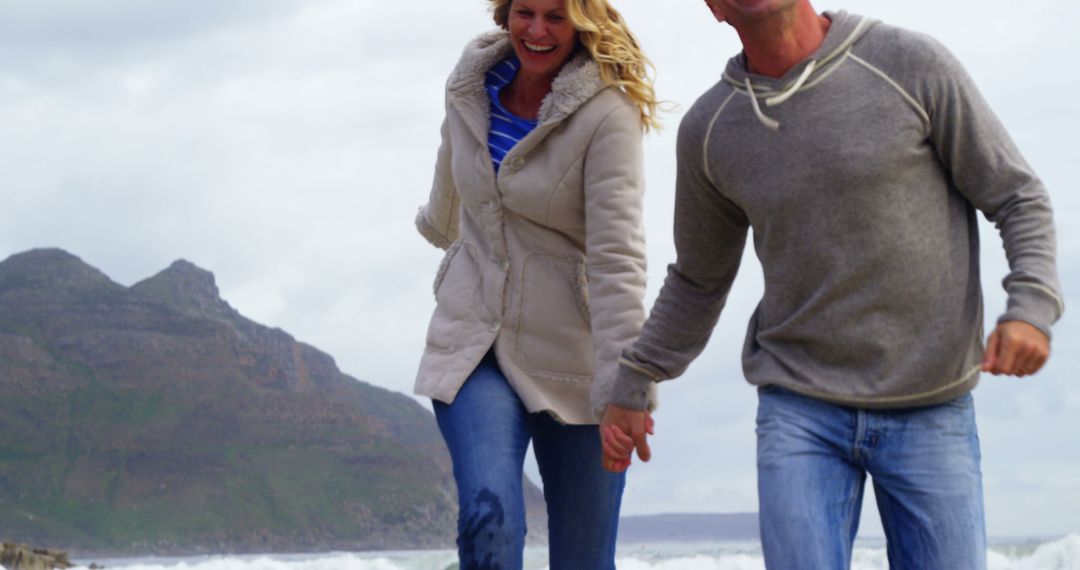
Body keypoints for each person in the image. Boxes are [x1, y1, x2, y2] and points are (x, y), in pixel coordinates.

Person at [596, 1, 1063, 569]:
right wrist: (635, 379)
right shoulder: (711, 129)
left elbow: (1017, 196)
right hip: (799, 409)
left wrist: (1031, 306)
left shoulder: (909, 63)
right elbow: (698, 279)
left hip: (930, 401)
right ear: (714, 7)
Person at [413, 0, 659, 567]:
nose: (538, 30)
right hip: (474, 339)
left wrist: (628, 386)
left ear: (582, 22)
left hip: (575, 357)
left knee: (584, 559)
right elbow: (451, 191)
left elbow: (617, 256)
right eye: (525, 12)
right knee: (490, 520)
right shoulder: (469, 84)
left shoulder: (608, 115)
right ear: (504, 14)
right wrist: (440, 234)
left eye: (556, 16)